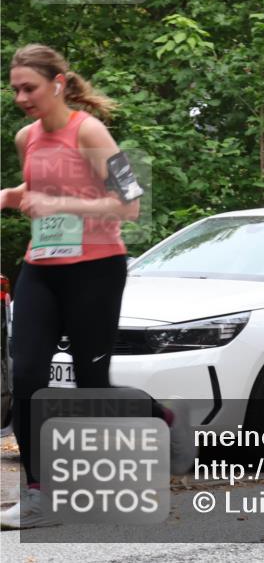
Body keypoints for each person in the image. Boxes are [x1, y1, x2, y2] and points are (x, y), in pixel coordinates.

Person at [0, 44, 192, 530]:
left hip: (96, 269)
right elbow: (35, 188)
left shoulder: (89, 130)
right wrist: (11, 196)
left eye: (30, 88)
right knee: (26, 380)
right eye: (15, 88)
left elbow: (129, 204)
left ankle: (161, 418)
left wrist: (60, 205)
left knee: (91, 385)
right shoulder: (27, 138)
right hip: (41, 268)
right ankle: (39, 498)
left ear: (59, 83)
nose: (21, 97)